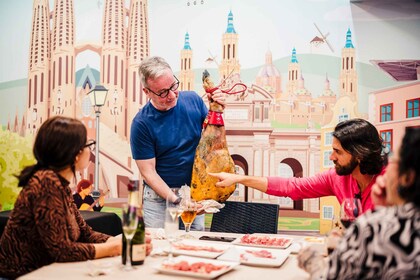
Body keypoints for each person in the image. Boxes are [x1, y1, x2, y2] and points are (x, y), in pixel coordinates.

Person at [0, 116, 151, 279]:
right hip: (22, 275)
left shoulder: (59, 184)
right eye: (89, 145)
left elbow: (86, 233)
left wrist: (121, 241)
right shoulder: (45, 183)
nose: (90, 150)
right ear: (76, 154)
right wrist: (116, 248)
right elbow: (62, 251)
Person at [298, 127, 420, 279]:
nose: (386, 167)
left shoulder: (374, 228)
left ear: (407, 177)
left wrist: (310, 259)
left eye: (393, 160)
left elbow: (329, 277)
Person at [210, 118, 386, 213]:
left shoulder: (392, 182)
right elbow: (292, 186)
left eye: (338, 152)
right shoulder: (336, 177)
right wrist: (239, 178)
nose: (332, 157)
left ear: (360, 155)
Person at [130, 56, 225, 230]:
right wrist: (177, 200)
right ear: (147, 92)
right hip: (159, 200)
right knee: (161, 248)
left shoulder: (194, 100)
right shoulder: (141, 124)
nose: (172, 95)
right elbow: (148, 172)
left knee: (193, 246)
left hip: (192, 193)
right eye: (163, 92)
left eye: (174, 86)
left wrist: (216, 109)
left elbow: (213, 141)